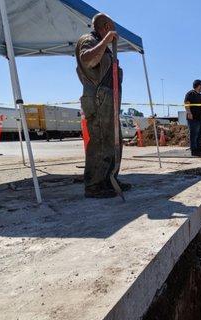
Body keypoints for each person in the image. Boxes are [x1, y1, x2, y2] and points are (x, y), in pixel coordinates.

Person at [75, 13, 131, 198]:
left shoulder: (104, 46)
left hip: (109, 101)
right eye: (112, 28)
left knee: (113, 141)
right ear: (105, 27)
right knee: (100, 141)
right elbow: (88, 60)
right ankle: (94, 185)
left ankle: (109, 179)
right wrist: (106, 40)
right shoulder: (88, 40)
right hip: (98, 99)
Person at [184, 79, 201, 156]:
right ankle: (194, 151)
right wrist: (189, 113)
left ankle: (199, 150)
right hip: (194, 119)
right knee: (194, 135)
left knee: (199, 135)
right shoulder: (190, 93)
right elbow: (186, 103)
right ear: (198, 86)